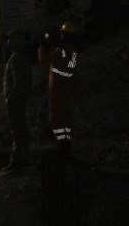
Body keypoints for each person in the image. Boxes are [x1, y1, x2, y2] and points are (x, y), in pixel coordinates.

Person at [46, 21, 81, 156]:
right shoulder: (73, 52)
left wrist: (44, 45)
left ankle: (62, 146)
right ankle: (66, 145)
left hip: (58, 89)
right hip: (66, 89)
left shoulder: (61, 51)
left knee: (58, 118)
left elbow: (44, 59)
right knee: (66, 118)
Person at [3, 30, 32, 170]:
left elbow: (18, 83)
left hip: (15, 101)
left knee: (17, 130)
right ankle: (22, 158)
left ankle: (18, 160)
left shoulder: (16, 59)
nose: (8, 42)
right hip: (19, 99)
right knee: (20, 129)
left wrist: (10, 98)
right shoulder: (21, 58)